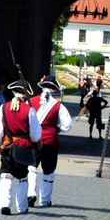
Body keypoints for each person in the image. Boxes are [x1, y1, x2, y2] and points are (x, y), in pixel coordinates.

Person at [0, 79, 41, 215]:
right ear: (25, 94)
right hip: (23, 148)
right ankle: (22, 206)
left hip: (7, 146)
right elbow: (36, 135)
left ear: (13, 92)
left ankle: (4, 205)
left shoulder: (3, 108)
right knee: (22, 177)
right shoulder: (30, 110)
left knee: (6, 175)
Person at [26, 77, 73, 207]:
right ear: (54, 89)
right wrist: (56, 128)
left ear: (42, 87)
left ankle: (30, 194)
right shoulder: (58, 106)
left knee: (31, 168)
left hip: (34, 141)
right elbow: (67, 125)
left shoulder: (31, 101)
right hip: (50, 142)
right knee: (48, 172)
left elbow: (25, 119)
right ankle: (44, 200)